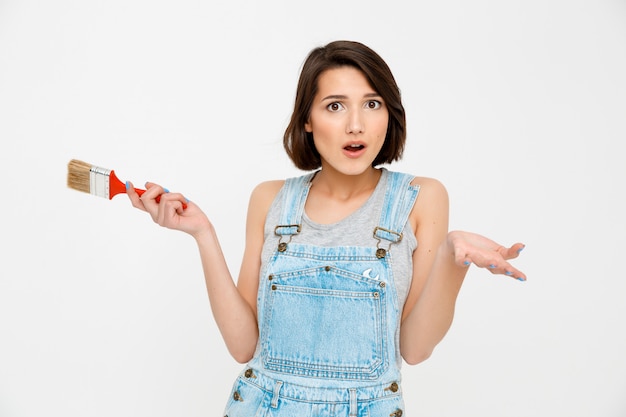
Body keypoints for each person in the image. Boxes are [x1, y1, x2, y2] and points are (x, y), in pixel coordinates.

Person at [125, 40, 526, 417]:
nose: (356, 125)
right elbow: (243, 345)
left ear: (390, 114)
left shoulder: (420, 198)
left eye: (372, 104)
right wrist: (203, 234)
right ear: (308, 121)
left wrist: (451, 259)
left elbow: (415, 349)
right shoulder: (271, 200)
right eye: (335, 106)